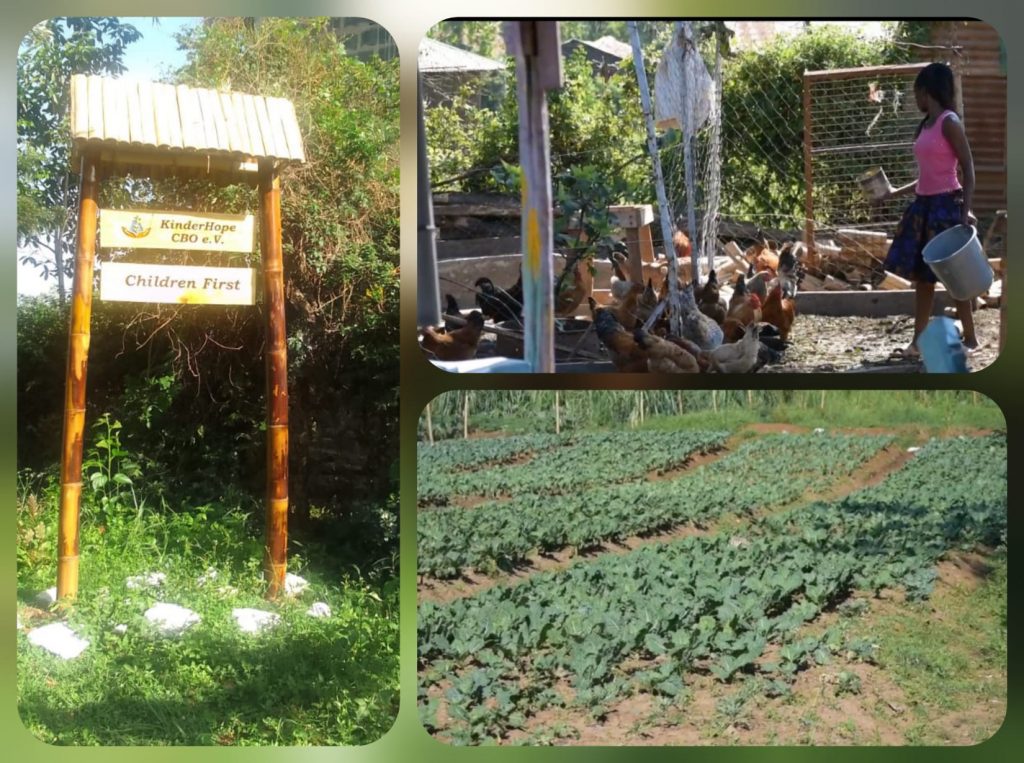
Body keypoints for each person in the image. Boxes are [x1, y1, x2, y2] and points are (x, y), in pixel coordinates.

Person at [881, 62, 978, 357]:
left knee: (955, 277)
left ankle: (971, 340)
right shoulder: (925, 126)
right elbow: (927, 176)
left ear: (928, 91)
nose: (915, 99)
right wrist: (892, 193)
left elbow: (968, 167)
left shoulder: (950, 122)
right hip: (923, 207)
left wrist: (964, 213)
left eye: (917, 93)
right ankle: (918, 342)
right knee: (922, 279)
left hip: (946, 206)